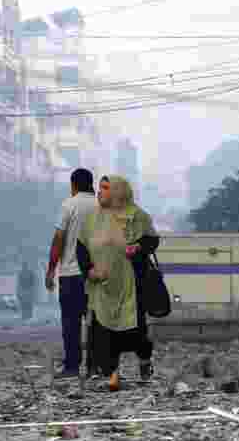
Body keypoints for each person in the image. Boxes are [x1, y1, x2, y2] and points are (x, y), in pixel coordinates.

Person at [75, 175, 159, 392]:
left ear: (118, 192)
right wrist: (89, 270)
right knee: (102, 331)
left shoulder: (137, 216)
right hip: (102, 286)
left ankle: (144, 362)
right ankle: (109, 373)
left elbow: (152, 240)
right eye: (100, 188)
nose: (100, 192)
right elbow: (81, 248)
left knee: (135, 331)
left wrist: (138, 247)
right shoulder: (92, 218)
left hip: (132, 285)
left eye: (105, 188)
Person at [45, 168, 98, 378]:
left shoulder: (69, 205)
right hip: (96, 276)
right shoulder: (101, 206)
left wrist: (51, 270)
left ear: (73, 185)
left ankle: (72, 367)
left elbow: (59, 239)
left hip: (70, 274)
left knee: (70, 322)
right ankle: (96, 367)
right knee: (97, 323)